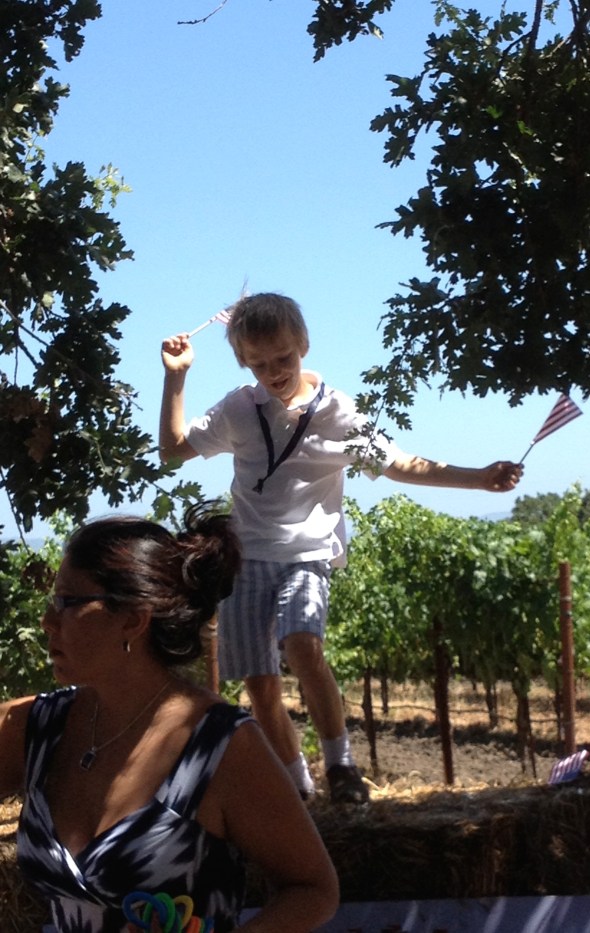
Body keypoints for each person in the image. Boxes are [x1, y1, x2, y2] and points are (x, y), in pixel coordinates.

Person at [160, 292, 523, 805]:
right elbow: (174, 449)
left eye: (283, 358)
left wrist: (478, 479)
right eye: (259, 363)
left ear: (303, 345)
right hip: (245, 561)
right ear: (243, 361)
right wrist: (176, 377)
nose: (274, 371)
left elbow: (400, 464)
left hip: (307, 555)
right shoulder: (239, 409)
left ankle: (341, 766)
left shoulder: (338, 412)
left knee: (303, 647)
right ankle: (298, 788)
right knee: (260, 683)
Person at [0, 502, 339, 932]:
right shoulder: (37, 728)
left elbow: (313, 890)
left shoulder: (220, 746)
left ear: (132, 620)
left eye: (68, 601)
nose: (48, 621)